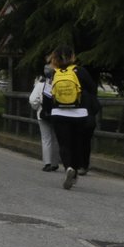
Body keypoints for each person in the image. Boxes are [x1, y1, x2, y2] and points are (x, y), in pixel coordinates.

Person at [41, 44, 101, 189]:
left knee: (64, 144)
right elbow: (93, 89)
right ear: (72, 56)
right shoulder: (80, 71)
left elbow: (47, 96)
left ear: (54, 58)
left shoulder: (53, 74)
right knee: (75, 143)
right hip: (79, 114)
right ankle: (74, 171)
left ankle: (68, 168)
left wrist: (49, 111)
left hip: (59, 114)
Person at [28, 62, 61, 173]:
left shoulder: (40, 84)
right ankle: (55, 163)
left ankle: (47, 163)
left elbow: (33, 100)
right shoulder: (59, 83)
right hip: (57, 114)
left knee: (46, 139)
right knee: (56, 138)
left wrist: (37, 107)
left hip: (43, 114)